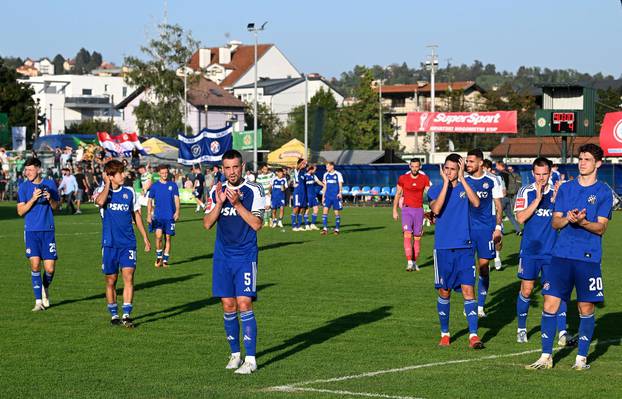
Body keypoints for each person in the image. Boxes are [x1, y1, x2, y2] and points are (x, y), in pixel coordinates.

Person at [527, 144, 613, 370]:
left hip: (588, 257)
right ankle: (546, 357)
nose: (582, 163)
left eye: (586, 159)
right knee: (550, 302)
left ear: (598, 163)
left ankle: (581, 359)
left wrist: (583, 222)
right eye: (580, 158)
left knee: (586, 308)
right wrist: (568, 218)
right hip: (561, 255)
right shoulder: (565, 189)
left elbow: (601, 228)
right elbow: (555, 222)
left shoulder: (604, 191)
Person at [202, 149, 264, 374]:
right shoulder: (215, 190)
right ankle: (235, 354)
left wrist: (237, 204)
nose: (231, 172)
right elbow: (207, 224)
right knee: (228, 305)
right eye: (227, 168)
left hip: (245, 256)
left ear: (242, 167)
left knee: (244, 303)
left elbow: (257, 224)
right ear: (223, 168)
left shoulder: (254, 190)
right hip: (222, 256)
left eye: (235, 167)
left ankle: (251, 359)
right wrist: (219, 203)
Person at [427, 153, 484, 349]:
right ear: (443, 169)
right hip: (443, 247)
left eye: (454, 169)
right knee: (445, 291)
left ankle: (473, 335)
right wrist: (445, 184)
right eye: (448, 168)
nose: (450, 172)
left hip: (465, 246)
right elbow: (436, 209)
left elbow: (476, 203)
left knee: (469, 290)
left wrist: (462, 179)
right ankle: (445, 333)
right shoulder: (435, 189)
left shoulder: (466, 186)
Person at [514, 157, 569, 345]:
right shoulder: (526, 191)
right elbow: (520, 218)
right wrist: (537, 200)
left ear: (550, 173)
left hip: (553, 252)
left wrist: (560, 198)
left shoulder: (558, 191)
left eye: (544, 174)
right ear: (532, 173)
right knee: (527, 290)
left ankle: (562, 332)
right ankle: (521, 329)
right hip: (530, 250)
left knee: (555, 292)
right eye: (537, 174)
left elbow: (566, 217)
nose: (541, 178)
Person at [95, 160, 151, 327]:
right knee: (111, 280)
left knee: (128, 277)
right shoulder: (102, 192)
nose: (124, 175)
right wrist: (107, 184)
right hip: (109, 244)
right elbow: (99, 202)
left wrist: (145, 238)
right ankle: (114, 314)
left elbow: (136, 215)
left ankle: (126, 314)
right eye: (120, 173)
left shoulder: (129, 192)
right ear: (111, 176)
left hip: (128, 243)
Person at [17, 157, 60, 311]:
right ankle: (38, 302)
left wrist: (50, 200)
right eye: (26, 169)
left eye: (30, 169)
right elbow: (20, 211)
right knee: (35, 265)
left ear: (38, 169)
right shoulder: (23, 187)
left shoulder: (49, 184)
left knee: (50, 269)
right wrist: (33, 199)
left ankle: (45, 288)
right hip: (31, 231)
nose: (27, 172)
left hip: (48, 231)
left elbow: (56, 207)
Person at [465, 149, 503, 318]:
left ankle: (480, 306)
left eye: (471, 161)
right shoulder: (463, 181)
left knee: (483, 268)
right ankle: (470, 304)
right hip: (466, 230)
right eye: (467, 161)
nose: (468, 164)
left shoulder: (492, 180)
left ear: (480, 162)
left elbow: (498, 206)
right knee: (468, 269)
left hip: (486, 230)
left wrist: (498, 228)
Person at [393, 159, 431, 271]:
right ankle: (409, 262)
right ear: (409, 166)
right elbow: (398, 194)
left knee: (417, 238)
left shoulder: (424, 179)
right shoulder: (403, 178)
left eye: (416, 166)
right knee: (407, 234)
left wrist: (431, 210)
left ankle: (414, 262)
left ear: (420, 167)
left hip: (419, 211)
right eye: (413, 166)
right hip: (407, 210)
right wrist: (394, 210)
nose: (414, 168)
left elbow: (430, 194)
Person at [147, 165, 180, 268]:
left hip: (169, 216)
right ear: (159, 174)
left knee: (168, 238)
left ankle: (165, 260)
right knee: (158, 237)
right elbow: (149, 200)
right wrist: (148, 214)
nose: (165, 175)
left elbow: (176, 199)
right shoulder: (154, 186)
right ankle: (159, 256)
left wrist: (177, 211)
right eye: (163, 173)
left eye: (166, 173)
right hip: (158, 216)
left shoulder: (173, 185)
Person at [482, 159, 505, 270]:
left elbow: (503, 192)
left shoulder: (497, 178)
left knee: (497, 239)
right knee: (483, 240)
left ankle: (497, 256)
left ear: (489, 169)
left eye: (484, 168)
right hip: (482, 216)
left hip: (494, 213)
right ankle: (486, 262)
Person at [496, 161, 522, 235]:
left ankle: (500, 231)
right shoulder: (510, 174)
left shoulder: (501, 174)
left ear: (501, 166)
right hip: (509, 196)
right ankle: (518, 230)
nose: (496, 167)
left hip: (502, 197)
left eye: (497, 165)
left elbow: (501, 186)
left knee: (498, 214)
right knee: (510, 215)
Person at [321, 162, 344, 236]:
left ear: (332, 166)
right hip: (327, 196)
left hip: (335, 196)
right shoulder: (325, 175)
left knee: (336, 213)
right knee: (324, 212)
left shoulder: (338, 174)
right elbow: (325, 186)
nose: (326, 168)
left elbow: (340, 184)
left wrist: (340, 192)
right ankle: (325, 229)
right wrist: (323, 196)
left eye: (327, 166)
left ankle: (337, 229)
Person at [304, 164, 324, 230]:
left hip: (313, 195)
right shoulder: (304, 176)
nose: (315, 171)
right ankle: (307, 225)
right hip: (307, 195)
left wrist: (324, 185)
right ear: (311, 169)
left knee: (316, 209)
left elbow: (318, 182)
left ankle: (312, 224)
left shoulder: (314, 176)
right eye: (314, 170)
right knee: (307, 209)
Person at [291, 158, 308, 231]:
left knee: (302, 208)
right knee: (296, 207)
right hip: (297, 191)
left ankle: (299, 225)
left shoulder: (304, 172)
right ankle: (294, 226)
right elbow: (297, 167)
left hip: (303, 192)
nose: (305, 165)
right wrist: (301, 162)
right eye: (303, 163)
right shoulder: (296, 170)